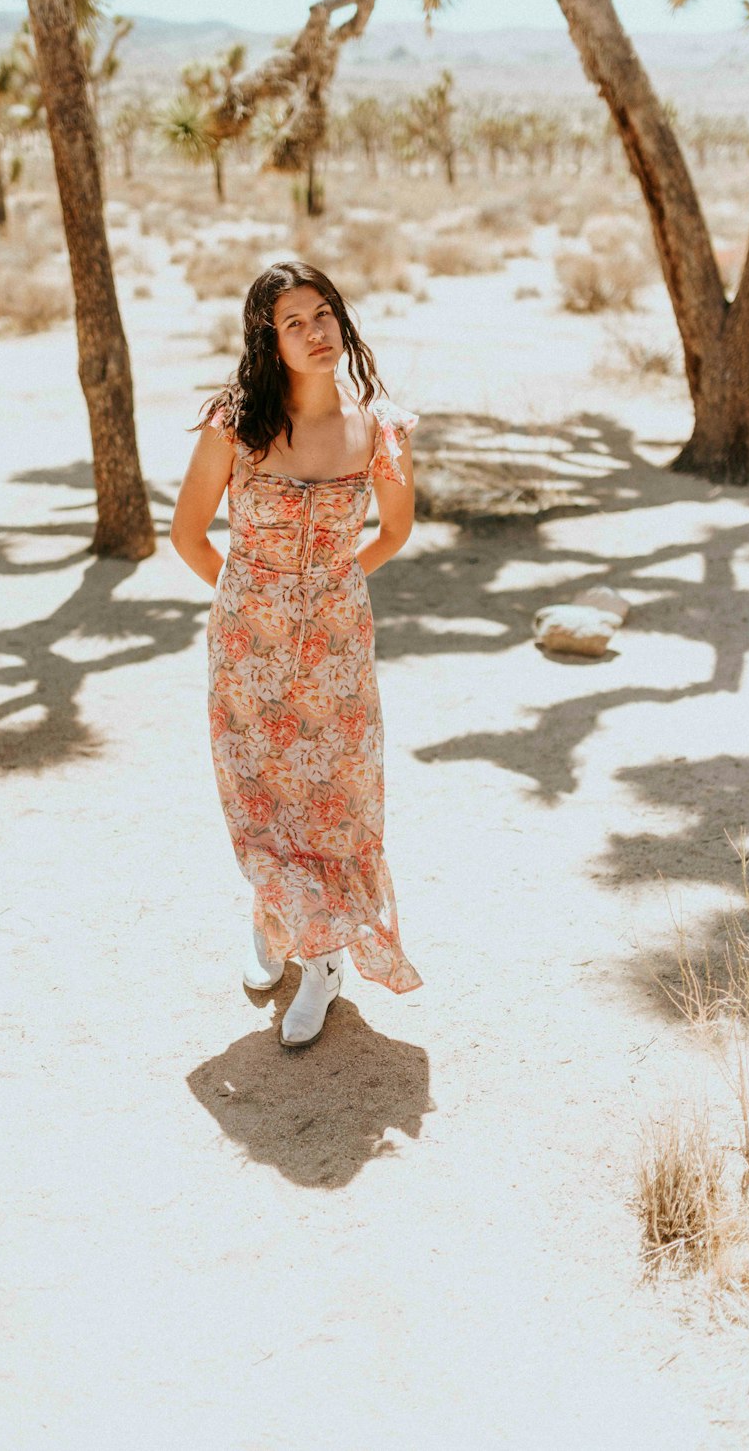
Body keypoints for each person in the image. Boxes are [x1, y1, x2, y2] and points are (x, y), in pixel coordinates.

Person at [171, 261, 423, 1049]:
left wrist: (327, 588)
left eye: (325, 315)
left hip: (339, 650)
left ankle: (323, 963)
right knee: (263, 801)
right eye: (295, 322)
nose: (317, 333)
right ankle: (278, 923)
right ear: (268, 340)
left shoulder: (379, 427)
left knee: (336, 803)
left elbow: (393, 532)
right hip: (249, 648)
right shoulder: (234, 424)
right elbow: (187, 535)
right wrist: (255, 598)